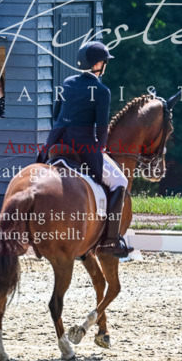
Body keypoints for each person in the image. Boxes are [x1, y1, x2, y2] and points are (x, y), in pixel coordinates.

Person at [38, 41, 129, 257]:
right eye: (104, 62)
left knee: (36, 173)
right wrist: (101, 149)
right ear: (98, 64)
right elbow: (101, 127)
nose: (105, 65)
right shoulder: (102, 91)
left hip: (56, 142)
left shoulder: (67, 83)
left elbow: (56, 114)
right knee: (120, 182)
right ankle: (111, 240)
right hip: (82, 146)